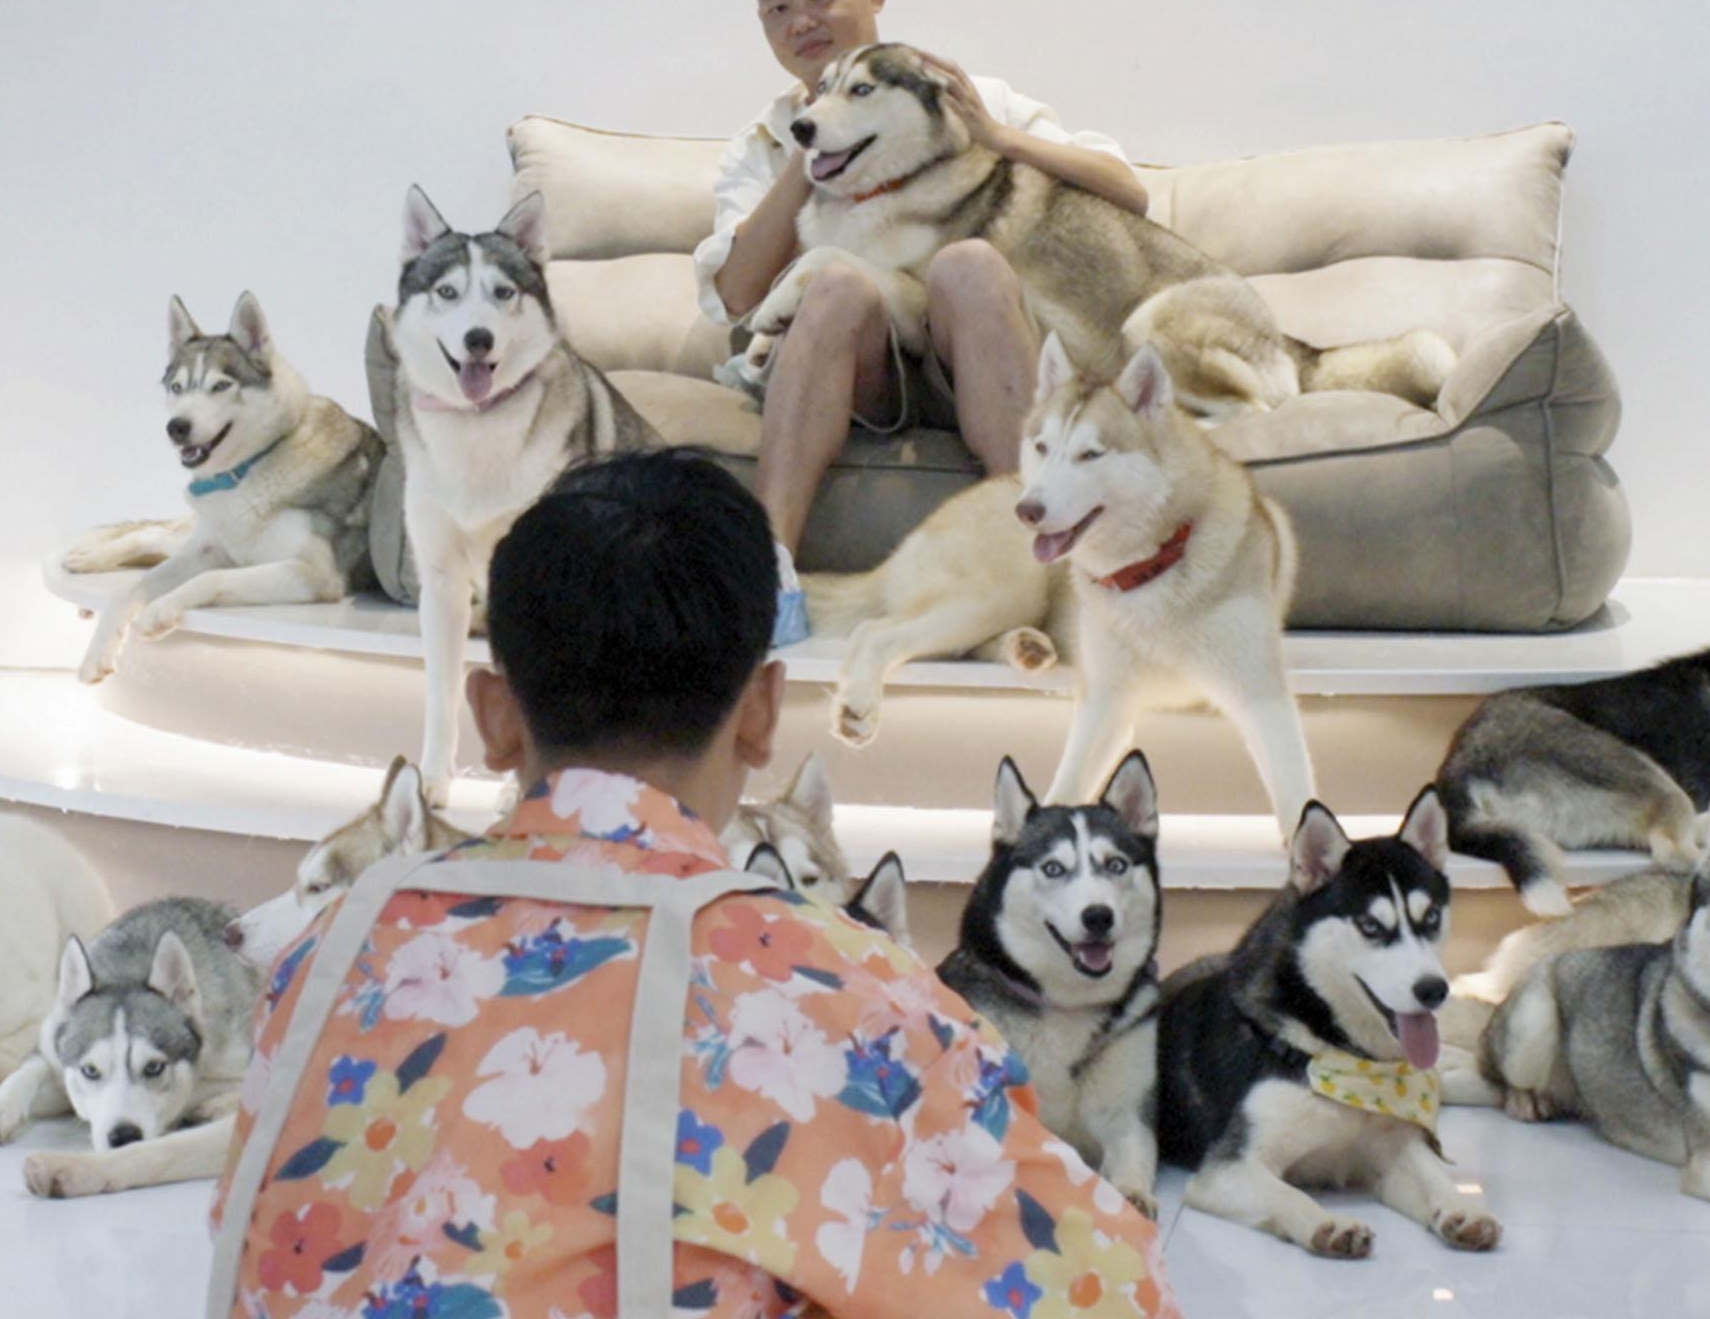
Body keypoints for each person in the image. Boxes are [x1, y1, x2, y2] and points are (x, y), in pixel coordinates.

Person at [211, 449, 1178, 1319]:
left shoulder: (325, 962)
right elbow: (1107, 1295)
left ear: (494, 719)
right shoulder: (847, 1000)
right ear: (761, 716)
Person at [693, 0, 1148, 646]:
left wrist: (996, 137)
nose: (800, 21)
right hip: (863, 370)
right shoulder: (763, 145)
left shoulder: (960, 96)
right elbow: (737, 292)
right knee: (835, 283)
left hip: (981, 343)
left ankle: (1044, 562)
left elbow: (1128, 190)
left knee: (968, 262)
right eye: (775, 9)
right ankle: (765, 579)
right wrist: (820, 148)